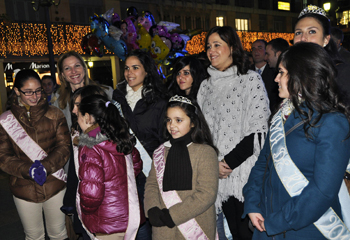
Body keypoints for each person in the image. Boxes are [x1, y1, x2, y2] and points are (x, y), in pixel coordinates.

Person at [243, 42, 350, 239]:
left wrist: (277, 221)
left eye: (281, 72)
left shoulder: (333, 121)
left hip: (305, 229)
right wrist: (251, 203)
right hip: (266, 222)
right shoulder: (282, 113)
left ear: (301, 75)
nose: (276, 78)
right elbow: (262, 164)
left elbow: (323, 191)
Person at [197, 26, 270, 240]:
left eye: (217, 45)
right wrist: (212, 165)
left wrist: (227, 163)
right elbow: (202, 132)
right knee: (231, 235)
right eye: (209, 46)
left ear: (232, 48)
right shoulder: (204, 86)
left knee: (248, 234)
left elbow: (258, 131)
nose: (211, 50)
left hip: (244, 174)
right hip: (216, 175)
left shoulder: (250, 80)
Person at [0, 69, 71, 240]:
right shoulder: (6, 120)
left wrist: (45, 167)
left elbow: (64, 146)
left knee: (59, 234)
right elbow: (3, 156)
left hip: (54, 183)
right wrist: (28, 169)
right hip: (23, 187)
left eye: (38, 90)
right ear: (17, 91)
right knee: (33, 236)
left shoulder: (55, 114)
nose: (35, 96)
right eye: (28, 92)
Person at [144, 95, 219, 239]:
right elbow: (152, 184)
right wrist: (152, 209)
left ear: (192, 122)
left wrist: (172, 215)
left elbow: (206, 194)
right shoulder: (161, 151)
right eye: (169, 120)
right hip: (163, 229)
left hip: (197, 225)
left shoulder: (205, 152)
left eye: (178, 120)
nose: (172, 125)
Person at [113, 49, 168, 240]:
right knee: (131, 220)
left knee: (149, 220)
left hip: (150, 170)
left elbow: (165, 139)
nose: (129, 73)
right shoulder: (117, 99)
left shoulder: (160, 101)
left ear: (146, 71)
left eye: (135, 68)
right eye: (127, 68)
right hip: (123, 169)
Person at [74, 94, 142, 240]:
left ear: (87, 117)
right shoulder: (120, 136)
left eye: (78, 115)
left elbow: (91, 194)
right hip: (129, 216)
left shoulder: (90, 146)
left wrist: (86, 211)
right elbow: (136, 166)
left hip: (106, 221)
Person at [293, 5, 350, 104]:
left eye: (312, 31)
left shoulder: (342, 72)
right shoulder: (290, 71)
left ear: (326, 39)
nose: (303, 38)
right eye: (298, 33)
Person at [53, 51, 113, 131]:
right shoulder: (58, 101)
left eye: (77, 66)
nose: (73, 71)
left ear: (84, 68)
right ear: (63, 74)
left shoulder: (106, 92)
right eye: (67, 68)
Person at [251, 39, 280, 110]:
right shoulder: (246, 72)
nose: (256, 51)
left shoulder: (275, 72)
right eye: (253, 49)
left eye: (260, 48)